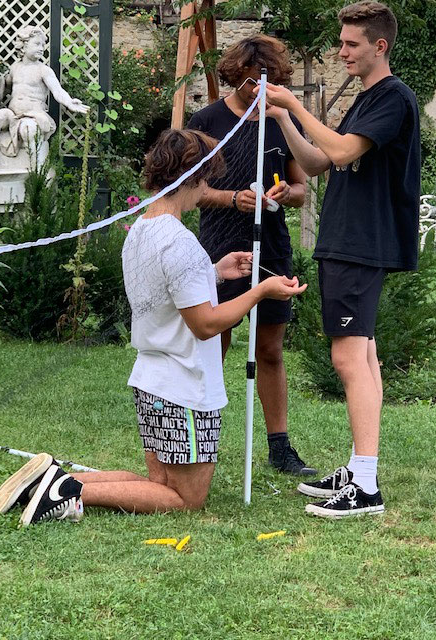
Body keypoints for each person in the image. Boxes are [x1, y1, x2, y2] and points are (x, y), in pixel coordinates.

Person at [0, 129, 307, 526]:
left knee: (158, 481)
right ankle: (69, 491)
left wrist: (214, 272)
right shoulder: (181, 243)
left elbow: (167, 290)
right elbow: (206, 325)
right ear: (191, 177)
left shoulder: (140, 230)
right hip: (184, 387)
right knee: (186, 497)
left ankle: (54, 480)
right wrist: (261, 290)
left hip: (152, 379)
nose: (207, 188)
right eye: (206, 177)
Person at [257, 1, 420, 517]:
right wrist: (284, 116)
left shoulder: (393, 97)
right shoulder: (368, 98)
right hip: (349, 241)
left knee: (348, 357)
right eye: (341, 42)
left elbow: (346, 152)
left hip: (361, 242)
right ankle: (359, 468)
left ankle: (366, 486)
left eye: (351, 44)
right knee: (363, 355)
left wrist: (297, 105)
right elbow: (320, 162)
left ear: (380, 45)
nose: (341, 51)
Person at [187, 35, 316, 476]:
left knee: (271, 349)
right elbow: (190, 190)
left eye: (268, 84)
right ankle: (202, 438)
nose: (259, 92)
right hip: (221, 245)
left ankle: (280, 447)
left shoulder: (280, 120)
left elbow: (301, 188)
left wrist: (285, 193)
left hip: (273, 246)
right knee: (214, 343)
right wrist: (232, 198)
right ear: (234, 77)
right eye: (250, 85)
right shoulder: (207, 120)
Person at [0, 26, 89, 164]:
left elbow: (57, 91)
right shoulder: (15, 68)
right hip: (13, 114)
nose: (41, 48)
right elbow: (4, 89)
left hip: (34, 115)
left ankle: (35, 167)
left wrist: (69, 102)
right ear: (23, 46)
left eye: (43, 44)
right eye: (37, 44)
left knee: (28, 129)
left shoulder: (44, 70)